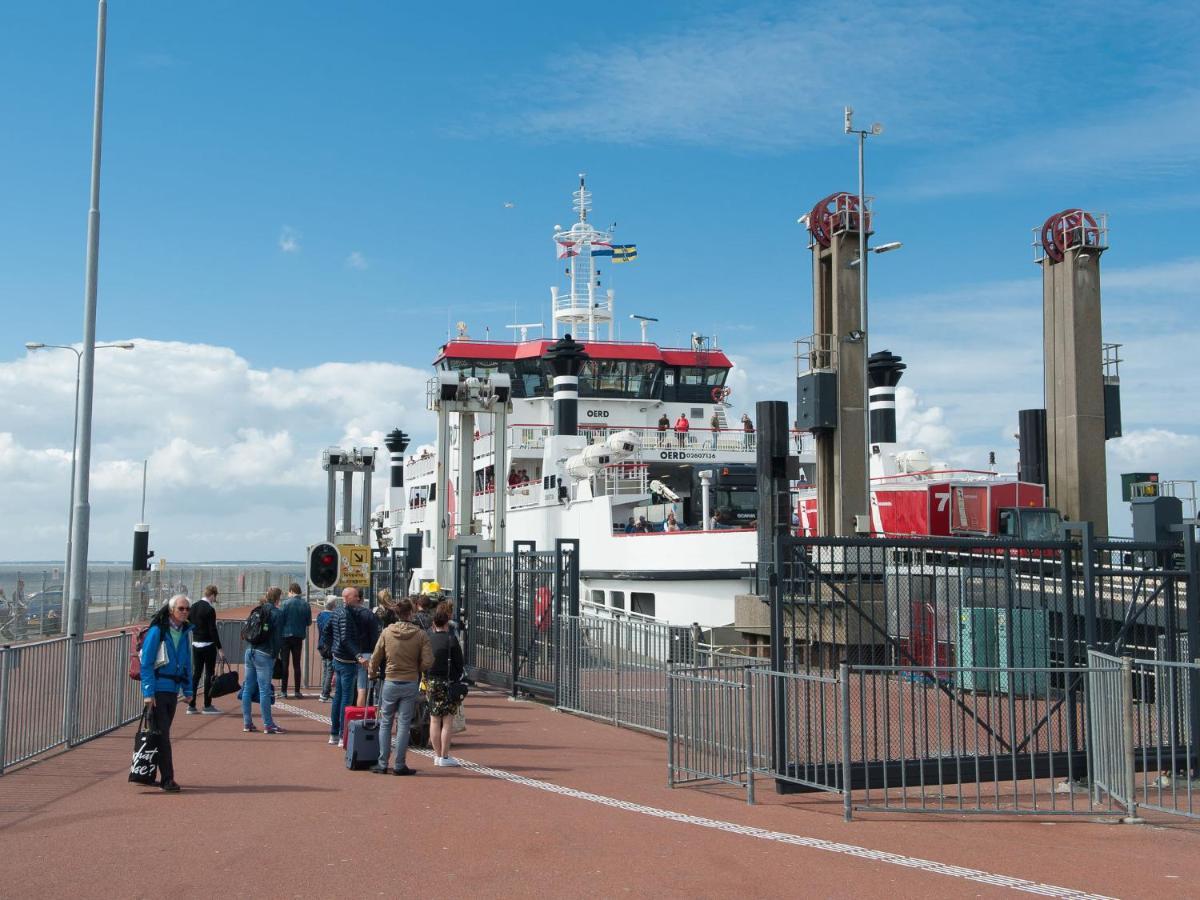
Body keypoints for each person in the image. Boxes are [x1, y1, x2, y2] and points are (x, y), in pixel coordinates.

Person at [367, 598, 432, 775]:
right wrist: (416, 668)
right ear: (411, 613)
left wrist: (372, 674)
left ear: (397, 614)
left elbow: (375, 657)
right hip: (410, 681)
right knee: (403, 723)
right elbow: (428, 661)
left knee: (386, 722)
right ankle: (399, 764)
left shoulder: (387, 632)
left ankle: (382, 762)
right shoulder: (420, 634)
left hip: (390, 679)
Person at [139, 595, 194, 792]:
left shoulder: (184, 632)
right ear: (172, 610)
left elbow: (187, 662)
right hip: (158, 690)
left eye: (187, 608)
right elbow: (146, 663)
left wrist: (188, 690)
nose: (185, 612)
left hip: (173, 690)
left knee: (159, 734)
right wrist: (148, 692)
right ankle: (167, 779)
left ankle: (148, 774)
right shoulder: (158, 631)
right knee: (162, 736)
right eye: (181, 608)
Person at [321, 585, 381, 746]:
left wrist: (330, 648)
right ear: (349, 598)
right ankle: (342, 734)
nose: (358, 599)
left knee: (339, 696)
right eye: (356, 597)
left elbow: (327, 631)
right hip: (348, 660)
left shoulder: (337, 613)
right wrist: (358, 656)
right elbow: (346, 638)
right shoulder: (347, 615)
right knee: (346, 697)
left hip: (339, 658)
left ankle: (335, 733)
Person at [242, 587, 287, 735]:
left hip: (250, 650)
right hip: (265, 653)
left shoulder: (258, 610)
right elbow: (278, 637)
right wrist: (275, 655)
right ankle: (268, 724)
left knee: (248, 688)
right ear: (277, 599)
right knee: (264, 690)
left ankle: (247, 723)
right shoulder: (277, 614)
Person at [426, 606, 465, 767]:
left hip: (432, 681)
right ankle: (445, 756)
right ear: (447, 623)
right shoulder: (451, 640)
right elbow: (460, 663)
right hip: (448, 682)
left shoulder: (428, 639)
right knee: (447, 720)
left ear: (434, 623)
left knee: (434, 719)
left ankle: (436, 755)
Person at [186, 585, 224, 715]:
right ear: (212, 595)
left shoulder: (193, 607)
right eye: (215, 596)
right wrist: (220, 648)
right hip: (208, 644)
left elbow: (189, 623)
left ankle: (191, 705)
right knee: (209, 674)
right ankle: (207, 705)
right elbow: (213, 630)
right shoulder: (209, 609)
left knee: (196, 674)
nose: (215, 599)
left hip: (196, 643)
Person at [279, 583, 311, 699]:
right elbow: (309, 622)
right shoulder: (305, 604)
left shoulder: (285, 603)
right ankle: (297, 691)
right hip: (298, 637)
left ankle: (284, 691)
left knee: (284, 664)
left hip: (285, 636)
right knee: (296, 664)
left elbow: (280, 619)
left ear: (291, 591)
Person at [316, 595, 338, 702]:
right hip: (330, 645)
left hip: (322, 645)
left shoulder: (320, 615)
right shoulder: (333, 617)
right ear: (334, 605)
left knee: (326, 669)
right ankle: (325, 693)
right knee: (329, 670)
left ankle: (324, 691)